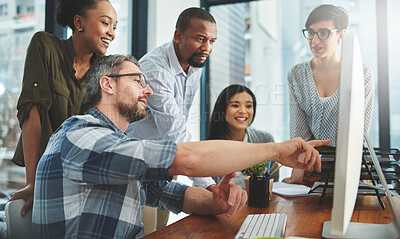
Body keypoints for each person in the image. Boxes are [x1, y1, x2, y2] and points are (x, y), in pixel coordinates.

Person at [32, 54, 328, 238]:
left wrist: (215, 201)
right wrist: (277, 150)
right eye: (137, 80)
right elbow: (186, 158)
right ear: (107, 85)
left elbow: (170, 193)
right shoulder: (79, 133)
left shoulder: (117, 144)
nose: (148, 89)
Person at [10, 0, 118, 215]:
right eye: (105, 23)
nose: (111, 33)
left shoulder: (106, 71)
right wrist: (33, 182)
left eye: (114, 27)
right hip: (43, 170)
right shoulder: (44, 46)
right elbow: (32, 113)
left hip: (81, 176)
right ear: (79, 22)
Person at [125, 7, 218, 231]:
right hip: (141, 164)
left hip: (166, 158)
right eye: (200, 39)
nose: (207, 48)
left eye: (212, 41)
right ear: (178, 36)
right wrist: (211, 188)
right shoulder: (155, 70)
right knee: (147, 230)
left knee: (162, 228)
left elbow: (180, 118)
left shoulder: (195, 62)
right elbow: (176, 131)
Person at [283, 4, 374, 186]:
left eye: (323, 33)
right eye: (311, 32)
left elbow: (359, 132)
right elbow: (299, 133)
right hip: (311, 168)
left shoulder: (361, 73)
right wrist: (297, 176)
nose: (315, 41)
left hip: (349, 168)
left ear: (340, 35)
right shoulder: (297, 74)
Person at [208, 84, 279, 189]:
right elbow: (200, 187)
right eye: (235, 105)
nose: (243, 111)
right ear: (223, 109)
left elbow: (274, 183)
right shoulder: (210, 147)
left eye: (248, 106)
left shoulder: (265, 140)